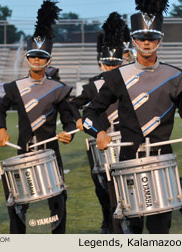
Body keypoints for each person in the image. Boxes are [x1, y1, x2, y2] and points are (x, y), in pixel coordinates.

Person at [83, 0, 182, 234]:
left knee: (160, 231)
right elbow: (90, 112)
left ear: (160, 40)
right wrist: (98, 131)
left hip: (162, 160)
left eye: (151, 38)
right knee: (128, 230)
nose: (146, 42)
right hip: (127, 160)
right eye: (141, 38)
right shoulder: (118, 76)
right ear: (133, 40)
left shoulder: (177, 77)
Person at [0, 0, 76, 234]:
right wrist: (1, 129)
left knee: (58, 199)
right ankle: (17, 240)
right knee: (18, 200)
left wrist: (68, 133)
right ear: (27, 58)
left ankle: (57, 239)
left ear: (49, 60)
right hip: (24, 149)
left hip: (51, 151)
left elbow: (69, 117)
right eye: (34, 56)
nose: (37, 61)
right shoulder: (14, 87)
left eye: (42, 57)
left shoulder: (58, 88)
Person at [69, 12, 127, 234]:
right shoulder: (92, 86)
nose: (111, 68)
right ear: (100, 64)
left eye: (115, 64)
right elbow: (73, 104)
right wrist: (79, 121)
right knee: (102, 188)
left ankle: (123, 225)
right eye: (107, 64)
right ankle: (106, 220)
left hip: (124, 142)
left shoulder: (128, 81)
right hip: (100, 142)